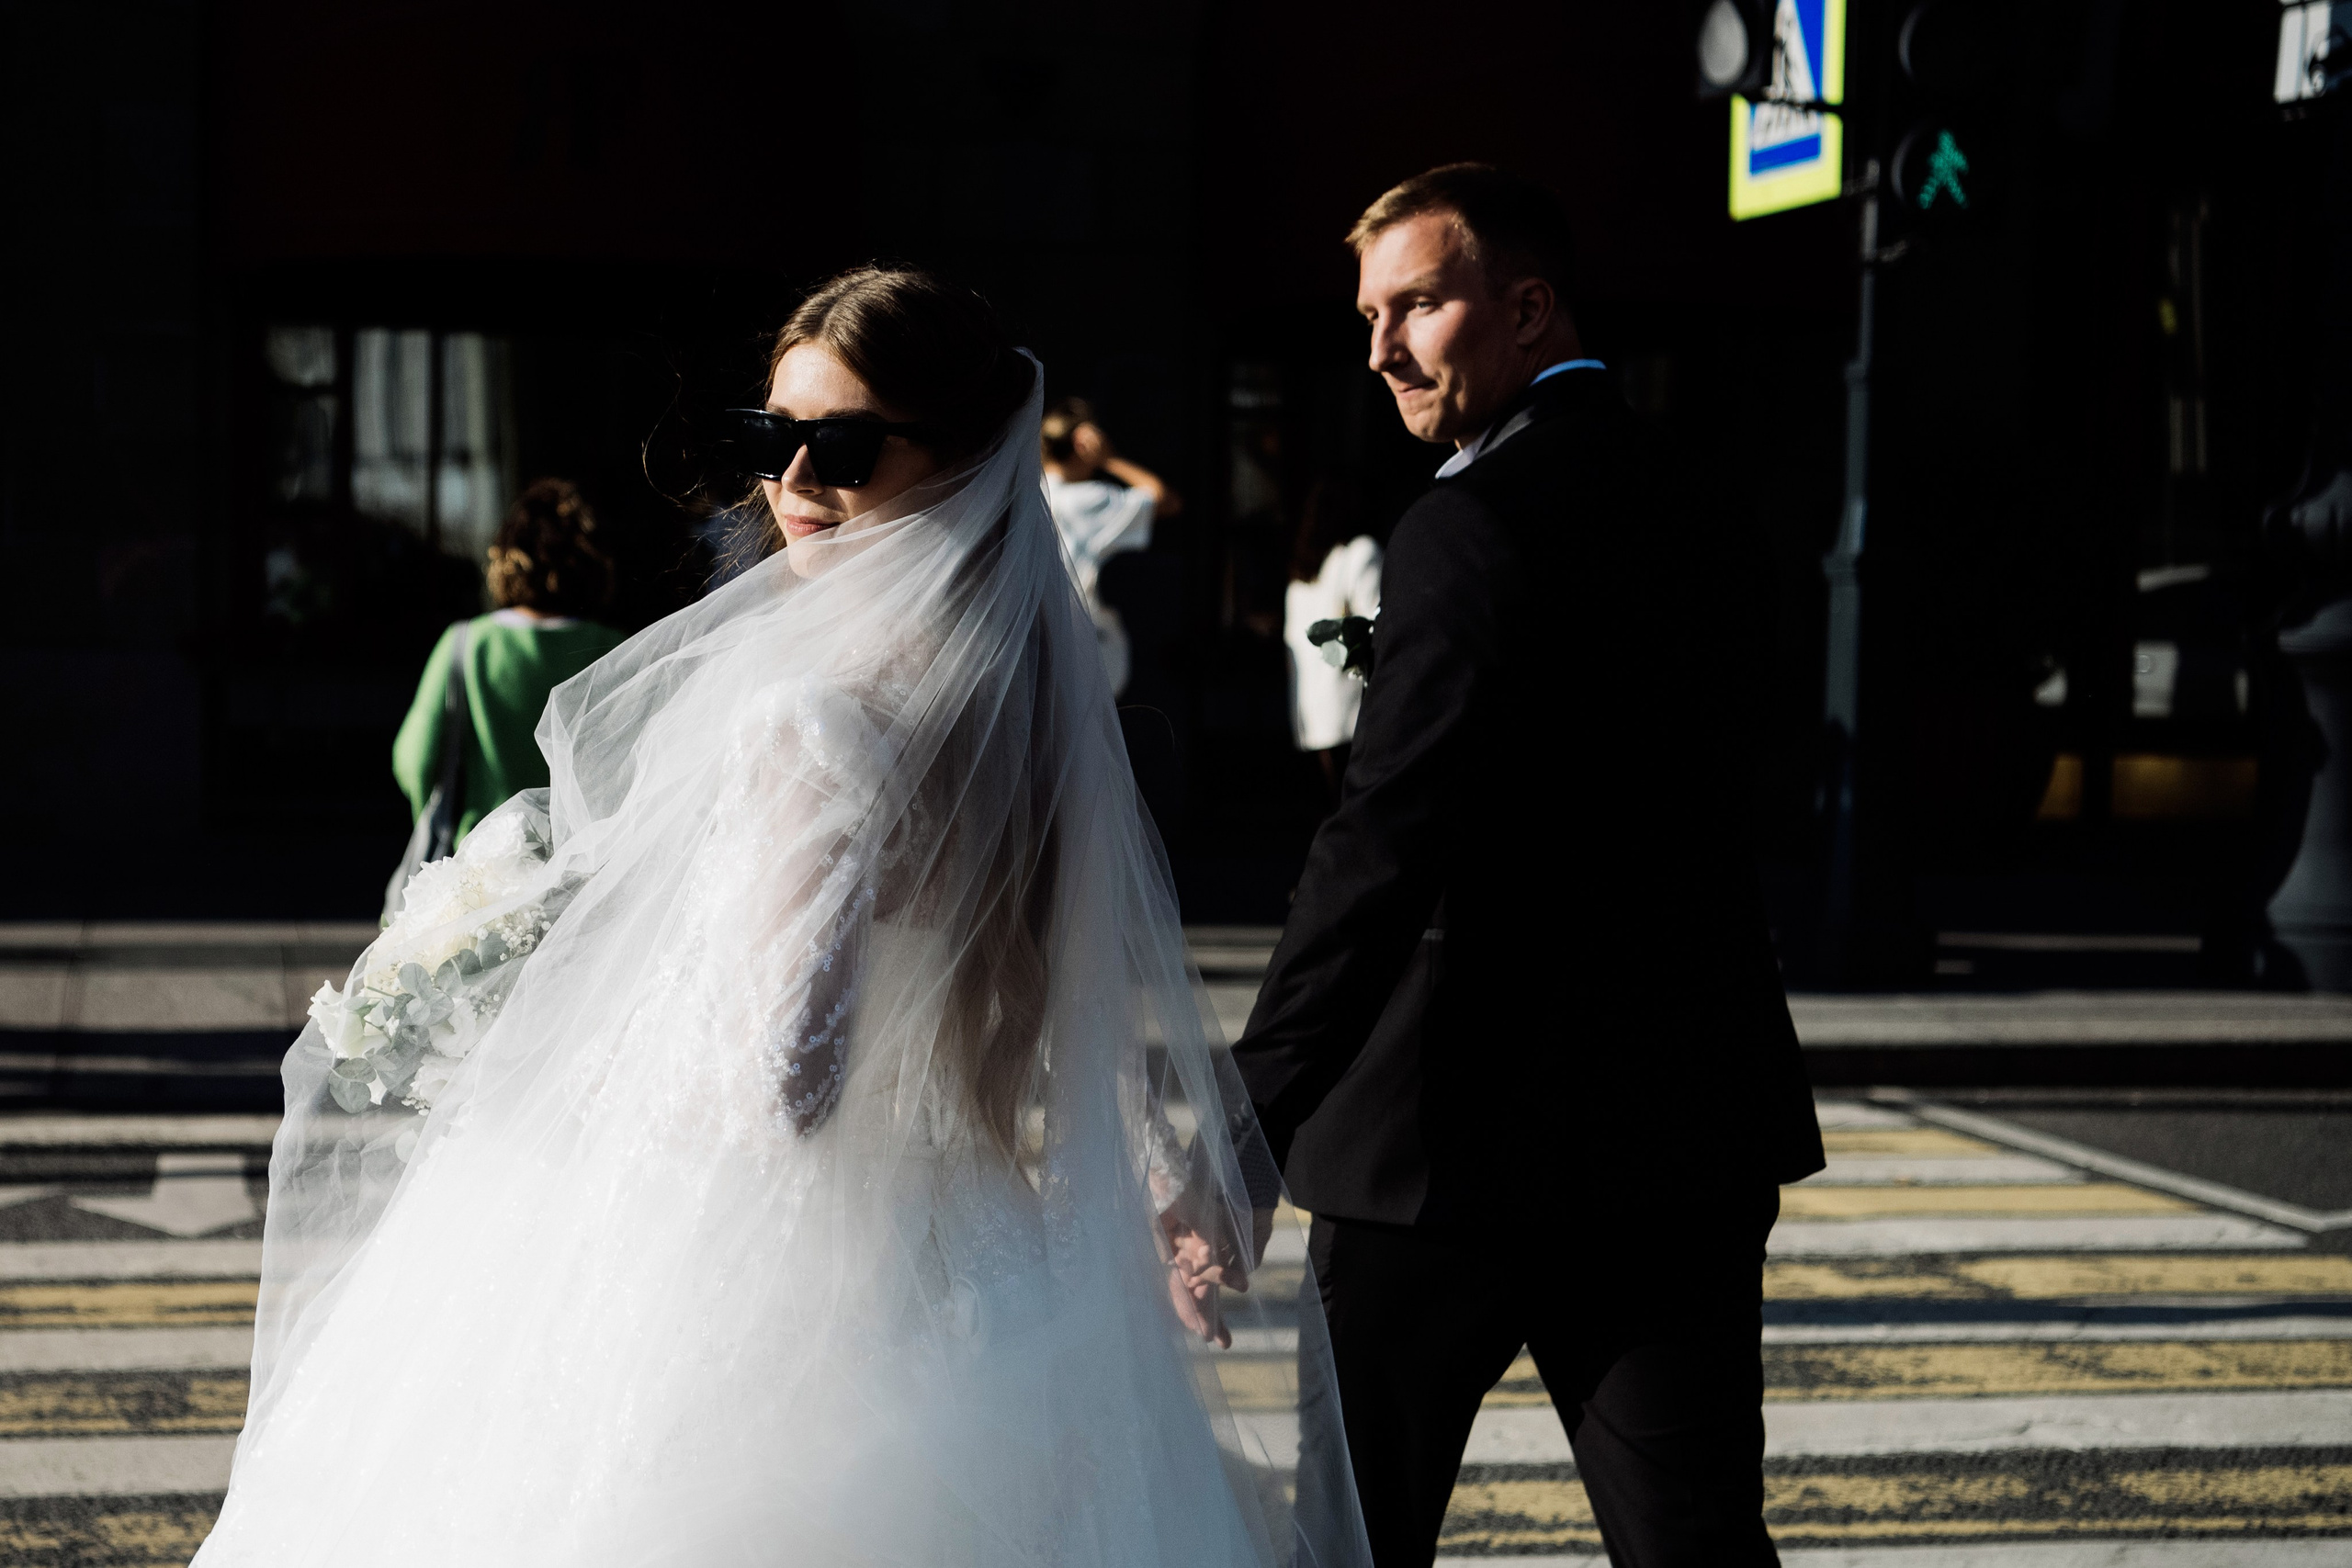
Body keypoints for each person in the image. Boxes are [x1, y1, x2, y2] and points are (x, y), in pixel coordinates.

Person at [197, 266, 1366, 1568]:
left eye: (845, 445)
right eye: (770, 438)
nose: (796, 476)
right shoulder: (1032, 696)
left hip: (764, 1269)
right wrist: (1155, 1163)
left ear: (961, 457)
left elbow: (789, 1078)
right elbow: (1064, 987)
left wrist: (564, 1050)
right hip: (970, 1239)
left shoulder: (810, 711)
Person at [1227, 164, 1824, 1567]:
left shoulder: (1472, 526)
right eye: (1370, 314)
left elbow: (1383, 844)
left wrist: (1249, 1120)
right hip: (1678, 1128)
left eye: (1418, 306)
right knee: (1694, 1540)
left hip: (1440, 1145)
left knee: (1354, 1540)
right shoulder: (1715, 507)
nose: (1378, 348)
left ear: (1530, 305)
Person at [390, 479, 628, 845]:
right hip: (587, 865)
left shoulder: (467, 644)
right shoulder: (615, 648)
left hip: (486, 863)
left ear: (504, 558)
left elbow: (416, 759)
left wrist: (437, 822)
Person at [1041, 397, 1182, 694]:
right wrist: (1109, 459)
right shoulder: (1087, 500)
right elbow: (1165, 500)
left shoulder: (1030, 492)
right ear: (1082, 444)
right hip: (1080, 639)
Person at [1283, 479, 1383, 808]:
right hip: (1352, 715)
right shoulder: (1360, 553)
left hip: (1311, 715)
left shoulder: (1302, 574)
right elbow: (1378, 629)